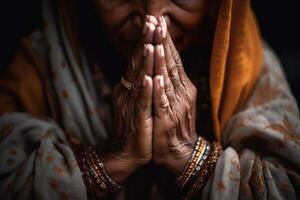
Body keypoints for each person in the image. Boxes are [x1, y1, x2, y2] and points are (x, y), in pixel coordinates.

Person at [0, 0, 299, 199]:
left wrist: (189, 157)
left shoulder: (246, 65)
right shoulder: (39, 67)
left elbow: (286, 185)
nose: (152, 21)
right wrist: (112, 160)